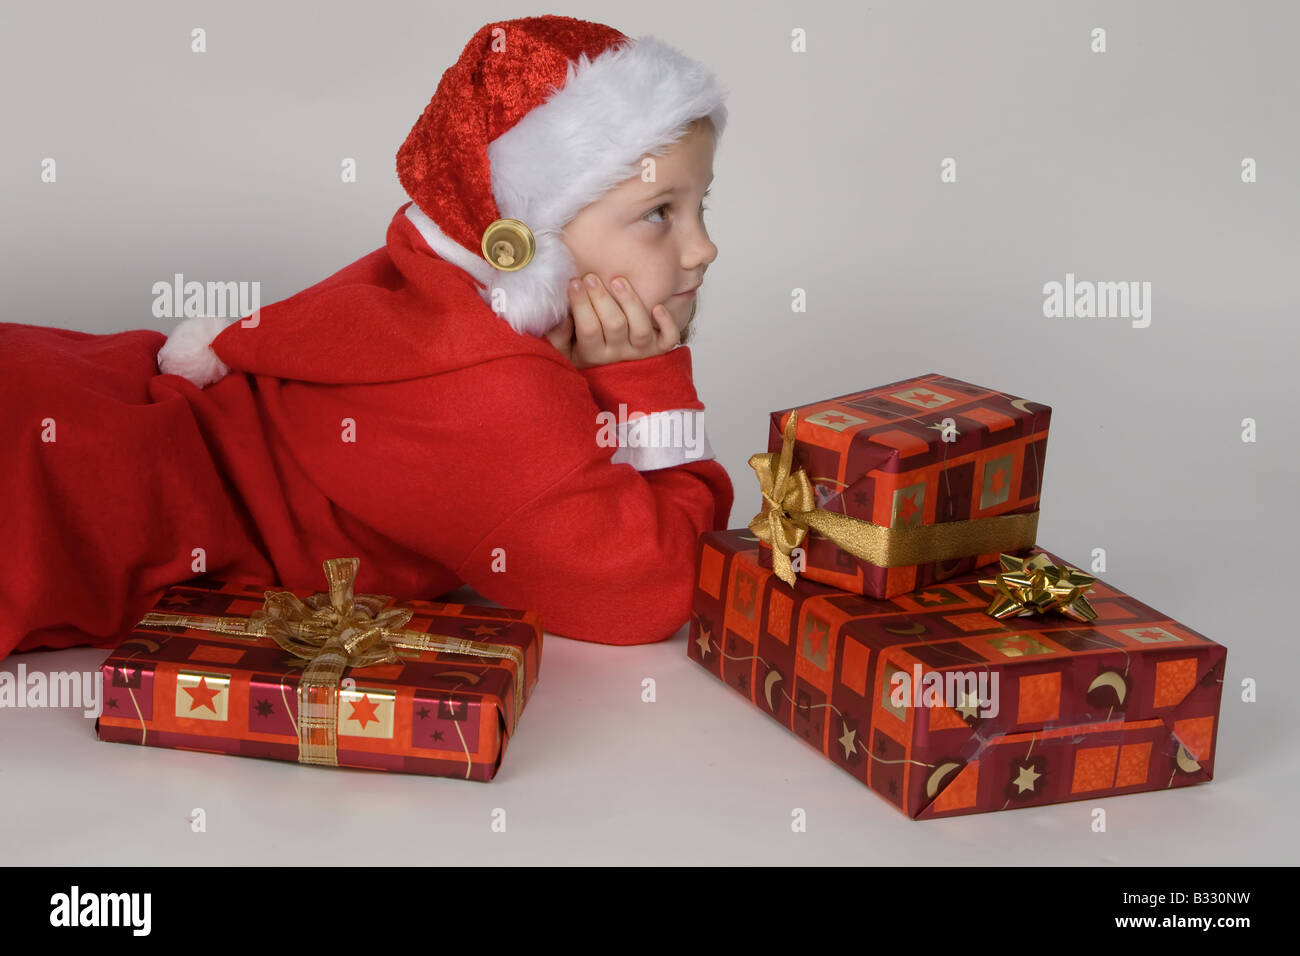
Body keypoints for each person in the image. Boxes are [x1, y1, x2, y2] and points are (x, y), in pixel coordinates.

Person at [0, 14, 734, 662]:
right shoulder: (495, 395)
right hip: (77, 484)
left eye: (702, 203)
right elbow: (658, 591)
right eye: (659, 213)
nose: (703, 249)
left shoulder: (425, 285)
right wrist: (648, 377)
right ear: (529, 239)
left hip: (88, 392)